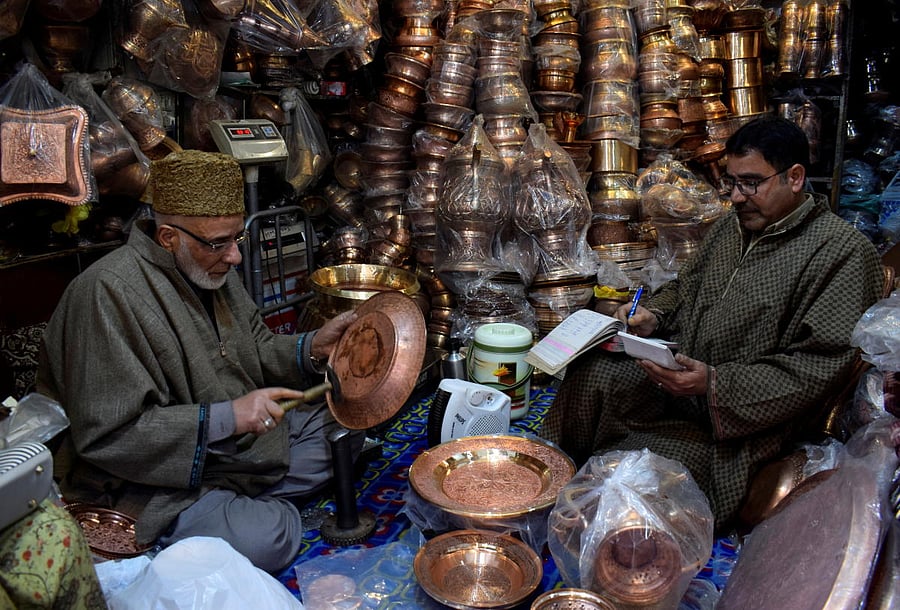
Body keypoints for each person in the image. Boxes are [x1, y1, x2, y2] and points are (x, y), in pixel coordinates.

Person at [540, 116, 884, 529]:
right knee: (594, 373)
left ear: (794, 177)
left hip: (744, 421)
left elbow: (819, 367)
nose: (737, 197)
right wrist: (654, 314)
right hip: (683, 377)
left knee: (650, 472)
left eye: (751, 183)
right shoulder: (730, 228)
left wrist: (715, 384)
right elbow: (684, 288)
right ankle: (550, 476)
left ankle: (613, 514)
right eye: (732, 183)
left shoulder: (842, 253)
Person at [37, 150, 362, 573]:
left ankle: (243, 496)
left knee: (346, 429)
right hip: (149, 480)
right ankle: (239, 506)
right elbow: (108, 436)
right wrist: (228, 417)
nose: (235, 257)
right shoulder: (105, 294)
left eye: (237, 239)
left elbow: (256, 347)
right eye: (219, 243)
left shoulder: (208, 268)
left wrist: (311, 346)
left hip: (238, 450)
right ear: (168, 237)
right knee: (269, 539)